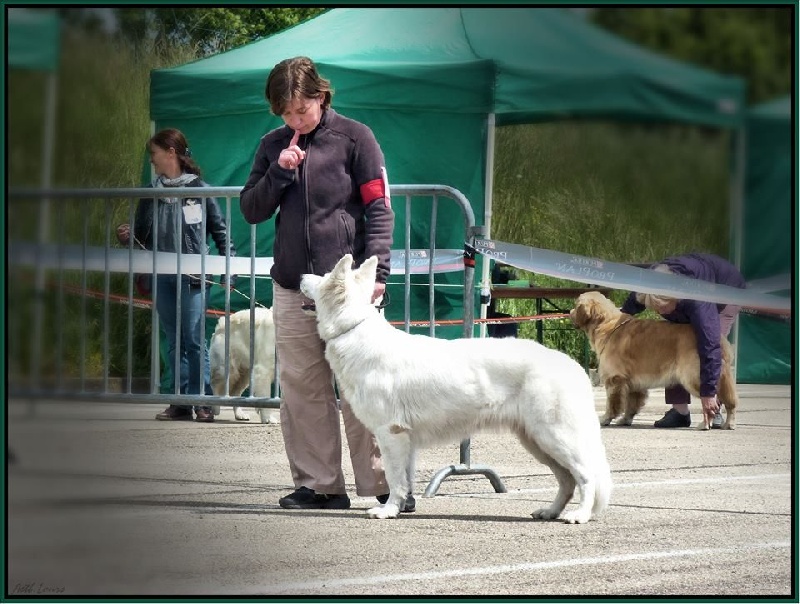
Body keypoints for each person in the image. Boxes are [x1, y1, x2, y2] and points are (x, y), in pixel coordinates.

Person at [239, 56, 407, 511]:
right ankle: (320, 486)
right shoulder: (272, 145)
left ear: (321, 95)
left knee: (365, 389)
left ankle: (384, 485)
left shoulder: (357, 138)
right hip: (294, 286)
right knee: (303, 388)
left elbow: (379, 208)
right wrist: (279, 172)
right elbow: (251, 209)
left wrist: (379, 274)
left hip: (349, 290)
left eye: (302, 110)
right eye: (286, 114)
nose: (295, 120)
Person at [117, 128, 236, 422]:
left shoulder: (200, 190)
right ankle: (180, 402)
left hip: (194, 276)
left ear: (171, 153)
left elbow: (222, 235)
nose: (152, 160)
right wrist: (128, 236)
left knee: (194, 340)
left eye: (154, 154)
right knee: (174, 340)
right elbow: (142, 235)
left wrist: (229, 270)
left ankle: (203, 401)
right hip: (162, 277)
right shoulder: (150, 193)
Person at [621, 253, 746, 429]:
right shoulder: (650, 283)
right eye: (655, 309)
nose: (661, 312)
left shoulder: (697, 301)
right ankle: (680, 412)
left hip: (725, 292)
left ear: (675, 297)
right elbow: (628, 309)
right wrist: (617, 324)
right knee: (672, 347)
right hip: (690, 289)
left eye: (663, 308)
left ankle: (714, 408)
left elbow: (710, 346)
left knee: (712, 348)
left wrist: (707, 392)